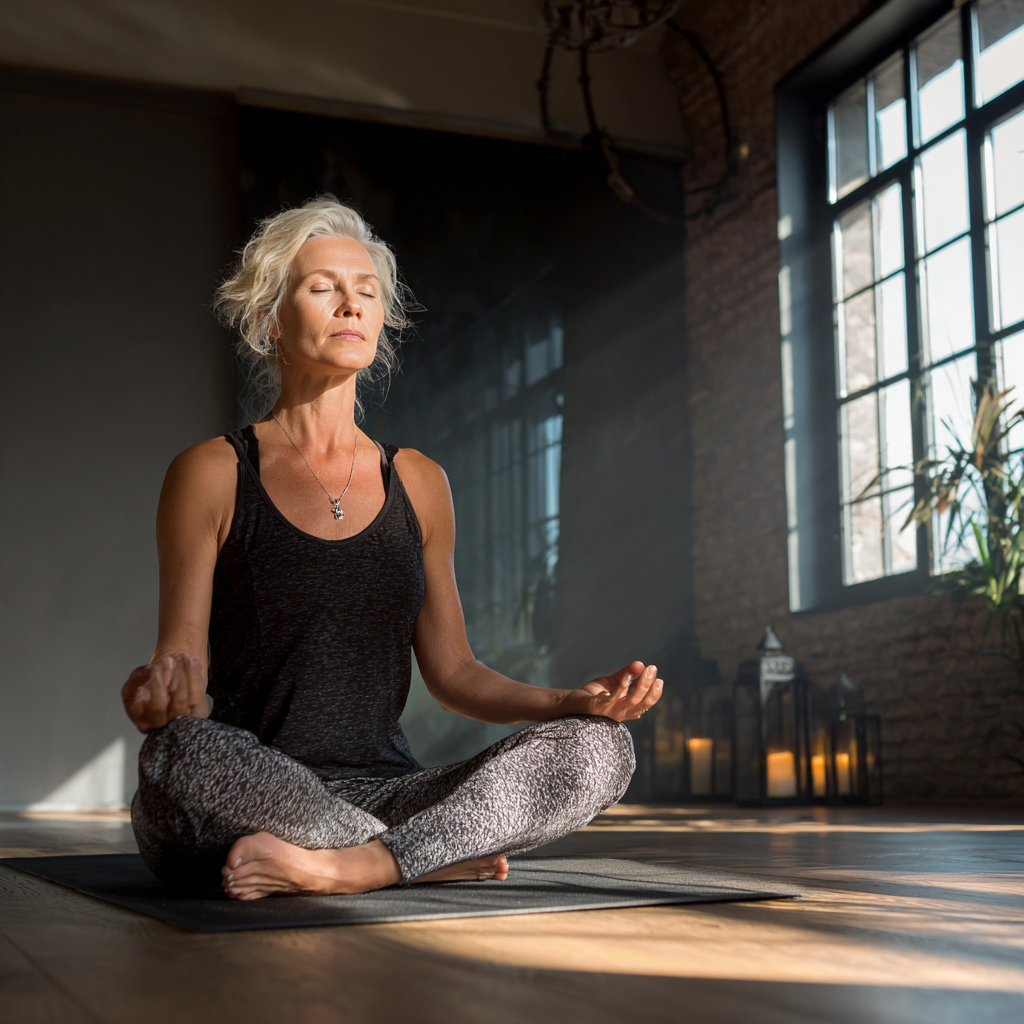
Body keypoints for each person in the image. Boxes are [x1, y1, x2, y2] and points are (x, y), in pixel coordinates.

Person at [121, 196, 664, 900]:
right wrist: (156, 694)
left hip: (387, 791)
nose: (351, 305)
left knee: (601, 751)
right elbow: (181, 664)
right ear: (267, 322)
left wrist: (571, 702)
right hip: (244, 789)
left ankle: (358, 865)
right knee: (179, 753)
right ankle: (420, 857)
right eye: (323, 289)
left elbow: (455, 671)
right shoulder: (214, 472)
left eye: (366, 293)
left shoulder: (418, 481)